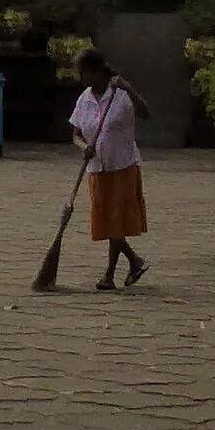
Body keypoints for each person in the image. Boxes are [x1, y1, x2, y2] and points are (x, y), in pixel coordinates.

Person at [71, 51, 149, 290]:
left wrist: (130, 89)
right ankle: (135, 261)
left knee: (116, 219)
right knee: (104, 221)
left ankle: (109, 275)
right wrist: (84, 147)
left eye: (82, 73)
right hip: (97, 168)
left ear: (96, 72)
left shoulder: (121, 95)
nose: (80, 78)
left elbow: (145, 113)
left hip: (122, 165)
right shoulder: (84, 99)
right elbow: (75, 135)